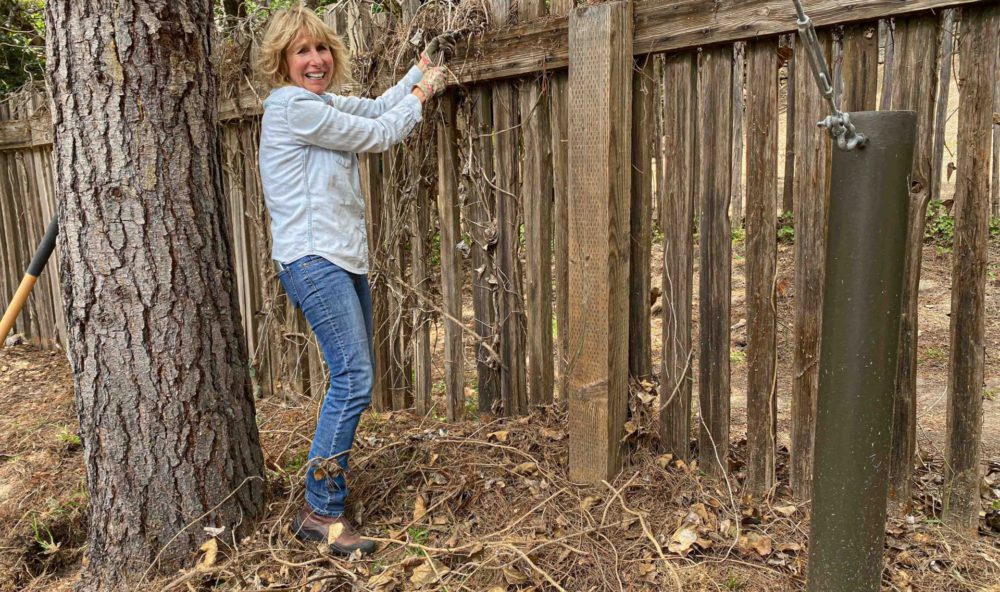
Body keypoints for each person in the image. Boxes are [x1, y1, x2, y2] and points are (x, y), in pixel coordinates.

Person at [255, 4, 450, 556]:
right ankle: (321, 509)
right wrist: (423, 96)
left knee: (352, 379)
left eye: (320, 49)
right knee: (352, 379)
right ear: (283, 61)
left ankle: (325, 496)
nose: (314, 60)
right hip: (314, 260)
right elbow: (380, 134)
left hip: (339, 258)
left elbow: (373, 108)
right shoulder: (292, 107)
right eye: (301, 51)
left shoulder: (316, 102)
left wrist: (417, 73)